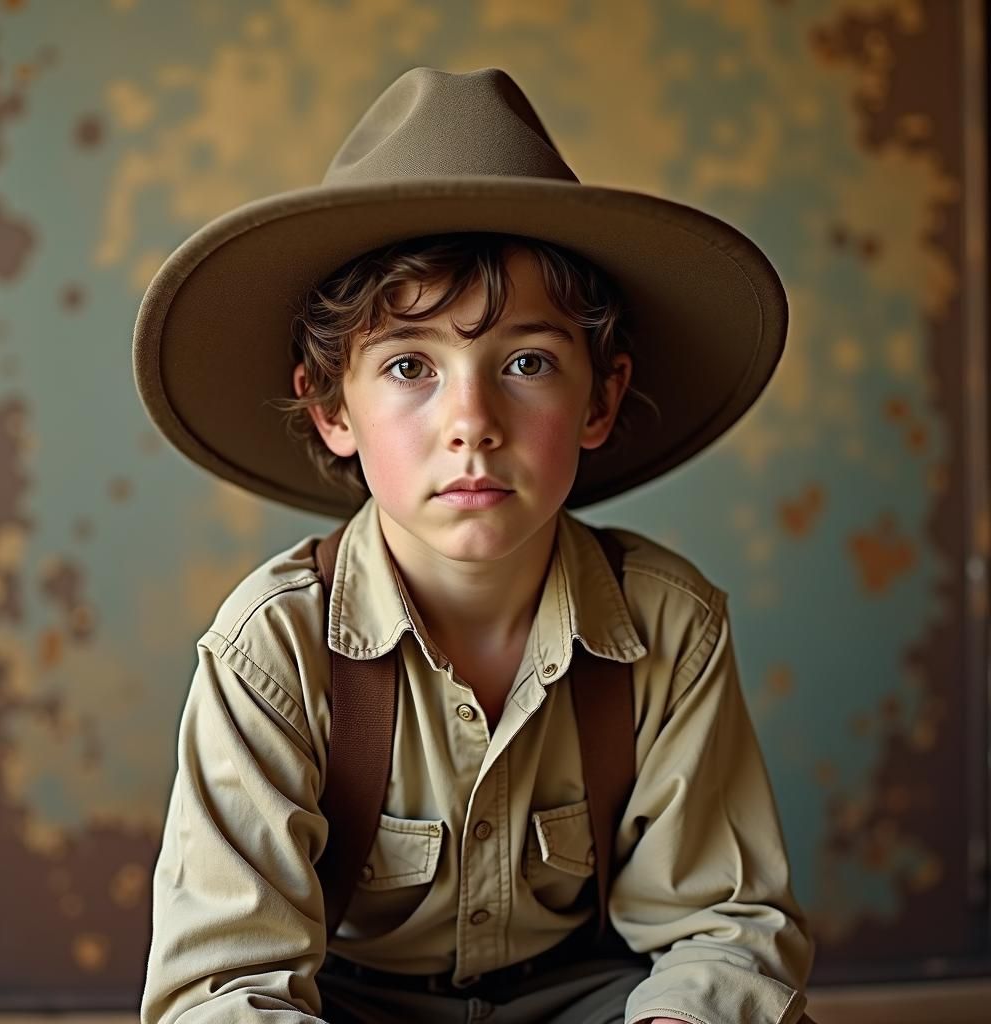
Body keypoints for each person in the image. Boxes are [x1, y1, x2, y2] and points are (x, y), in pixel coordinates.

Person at [133, 67, 817, 1023]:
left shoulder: (667, 625)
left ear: (601, 399)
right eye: (410, 366)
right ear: (333, 408)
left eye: (527, 362)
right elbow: (223, 985)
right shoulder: (275, 647)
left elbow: (724, 924)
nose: (472, 423)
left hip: (582, 1001)